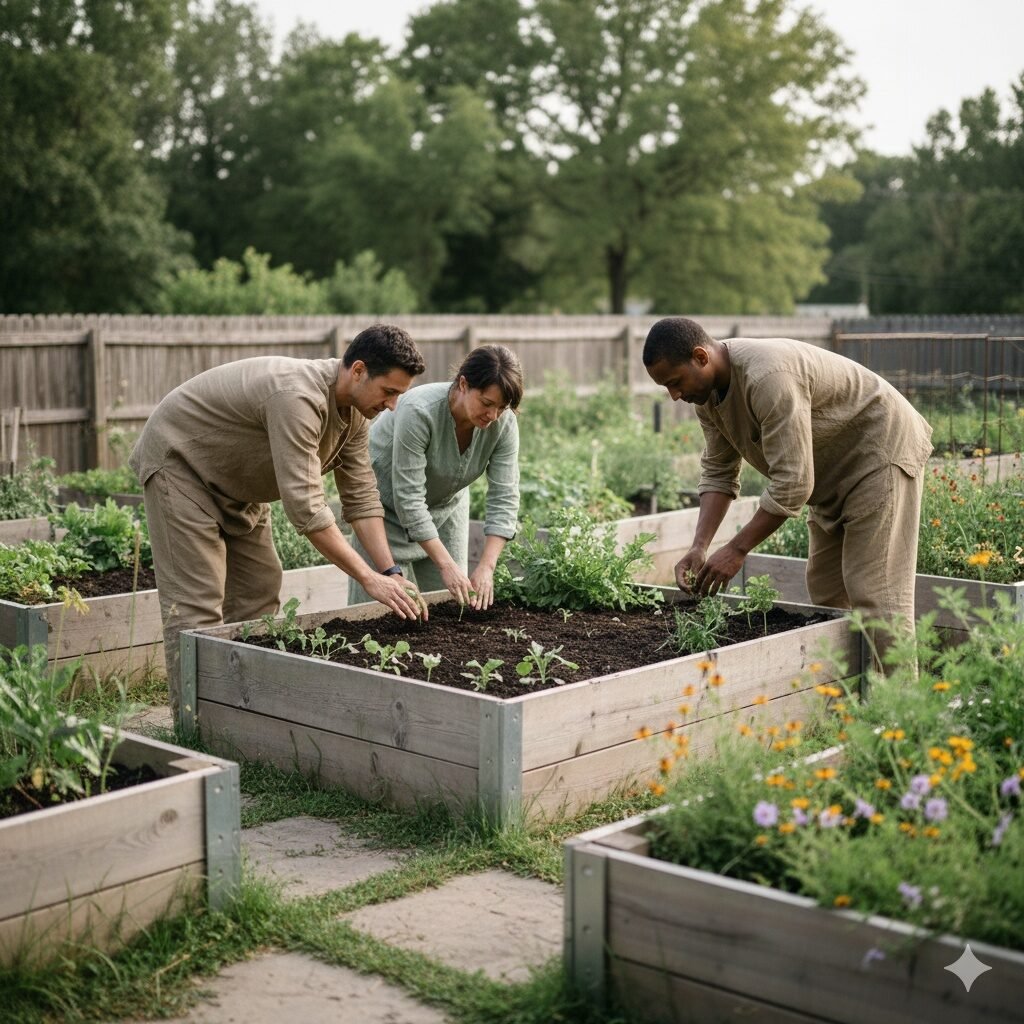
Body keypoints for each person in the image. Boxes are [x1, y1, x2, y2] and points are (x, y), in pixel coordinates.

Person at [129, 323, 429, 714]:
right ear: (358, 371)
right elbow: (307, 508)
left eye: (399, 395)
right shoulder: (297, 397)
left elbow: (361, 498)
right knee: (197, 607)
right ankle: (193, 722)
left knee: (259, 592)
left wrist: (390, 572)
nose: (392, 405)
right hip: (182, 467)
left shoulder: (356, 414)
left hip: (238, 483)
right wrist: (367, 578)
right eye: (389, 392)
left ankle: (245, 711)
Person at [642, 317, 933, 661]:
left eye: (675, 382)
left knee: (876, 593)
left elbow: (793, 483)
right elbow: (719, 472)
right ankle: (848, 690)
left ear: (701, 357)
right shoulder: (706, 399)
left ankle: (902, 695)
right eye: (667, 388)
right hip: (832, 474)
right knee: (827, 590)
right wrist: (699, 546)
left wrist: (736, 549)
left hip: (878, 453)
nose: (675, 396)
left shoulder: (767, 377)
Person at [348, 344, 522, 611]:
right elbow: (409, 499)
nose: (493, 415)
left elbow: (505, 496)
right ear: (463, 384)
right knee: (378, 611)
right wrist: (447, 565)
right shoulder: (419, 410)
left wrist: (487, 566)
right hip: (384, 512)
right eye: (487, 403)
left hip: (445, 508)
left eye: (502, 407)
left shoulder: (503, 422)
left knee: (451, 606)